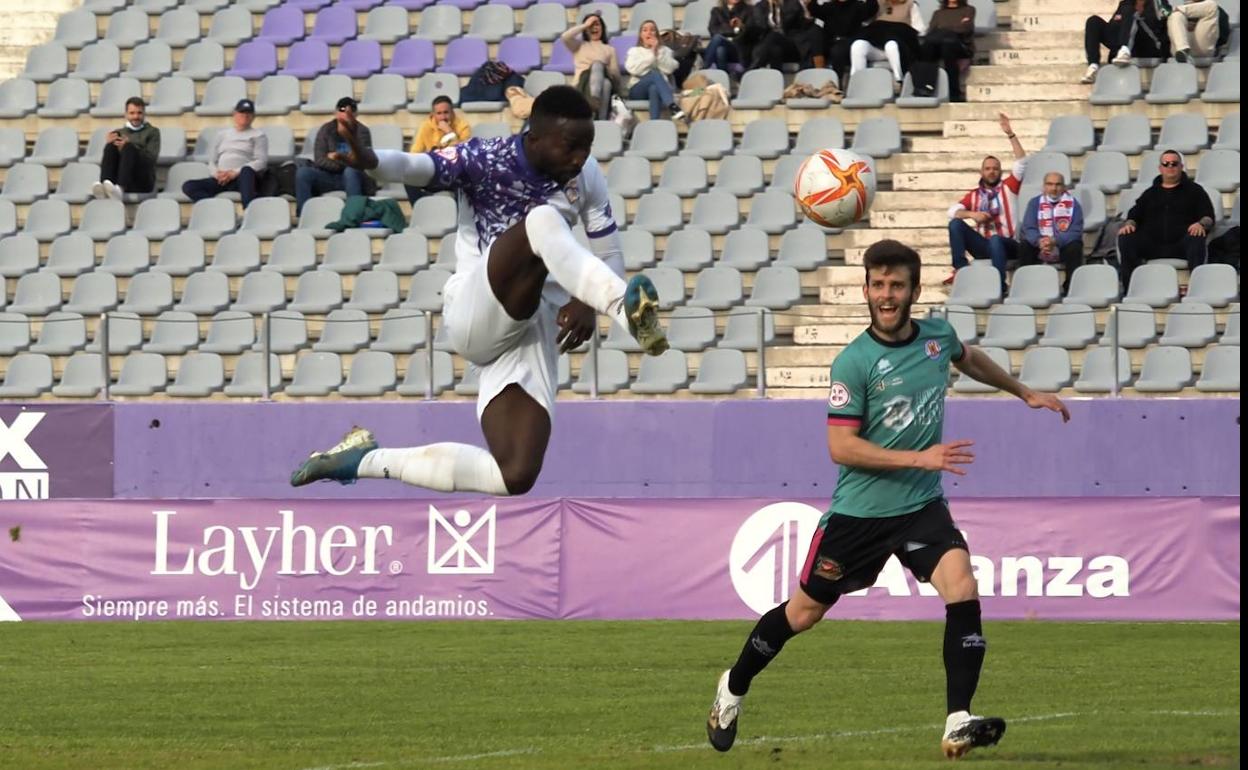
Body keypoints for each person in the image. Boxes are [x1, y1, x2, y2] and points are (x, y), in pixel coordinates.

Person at [706, 238, 1070, 759]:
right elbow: (841, 447)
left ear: (915, 290)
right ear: (866, 290)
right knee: (803, 613)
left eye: (896, 285)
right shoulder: (853, 363)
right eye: (878, 285)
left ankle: (957, 719)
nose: (886, 294)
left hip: (920, 507)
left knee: (962, 586)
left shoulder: (937, 335)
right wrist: (921, 458)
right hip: (860, 515)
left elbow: (968, 358)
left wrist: (1023, 391)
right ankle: (732, 688)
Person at [289, 87, 669, 496]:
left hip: (530, 326)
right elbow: (416, 166)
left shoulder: (585, 173)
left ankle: (362, 458)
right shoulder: (485, 158)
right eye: (570, 147)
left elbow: (608, 247)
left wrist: (584, 302)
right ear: (535, 137)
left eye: (587, 147)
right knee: (542, 219)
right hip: (475, 310)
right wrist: (373, 162)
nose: (579, 158)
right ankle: (620, 306)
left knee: (515, 474)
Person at [945, 113, 1028, 292]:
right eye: (988, 169)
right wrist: (971, 214)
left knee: (996, 240)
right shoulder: (975, 195)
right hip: (984, 245)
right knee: (955, 224)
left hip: (1009, 245)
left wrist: (1010, 134)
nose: (992, 172)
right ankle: (960, 269)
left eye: (995, 169)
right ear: (981, 172)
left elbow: (1022, 162)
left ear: (1000, 171)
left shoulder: (1009, 187)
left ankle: (999, 284)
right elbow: (952, 211)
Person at [1117, 149, 1215, 286]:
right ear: (1160, 168)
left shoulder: (1195, 191)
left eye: (1174, 164)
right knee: (1126, 238)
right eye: (1166, 164)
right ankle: (1130, 289)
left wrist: (1201, 224)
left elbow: (1208, 216)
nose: (1170, 167)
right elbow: (1134, 214)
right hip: (1152, 244)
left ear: (1181, 167)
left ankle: (1199, 287)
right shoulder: (1150, 193)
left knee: (1196, 237)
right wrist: (1130, 224)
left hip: (1182, 244)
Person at [181, 99, 269, 207]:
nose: (245, 116)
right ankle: (215, 208)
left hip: (242, 179)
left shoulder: (258, 135)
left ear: (253, 117)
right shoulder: (222, 134)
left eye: (248, 113)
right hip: (221, 178)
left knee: (247, 171)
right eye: (242, 112)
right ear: (235, 114)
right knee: (189, 186)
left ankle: (249, 210)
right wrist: (217, 174)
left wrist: (235, 172)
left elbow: (261, 161)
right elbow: (212, 160)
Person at [295, 96, 374, 216]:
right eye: (342, 110)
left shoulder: (362, 132)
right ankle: (305, 216)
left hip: (355, 177)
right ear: (336, 112)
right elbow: (320, 160)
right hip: (329, 176)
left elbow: (360, 162)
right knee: (303, 173)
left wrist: (336, 157)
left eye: (351, 111)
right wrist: (344, 160)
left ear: (356, 114)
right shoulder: (326, 130)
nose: (346, 115)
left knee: (350, 172)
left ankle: (354, 215)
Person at [1018, 173, 1084, 294]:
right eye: (1050, 184)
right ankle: (1026, 286)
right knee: (1025, 246)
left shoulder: (1074, 205)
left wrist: (1055, 241)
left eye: (1058, 184)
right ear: (1044, 186)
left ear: (1064, 187)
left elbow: (1075, 231)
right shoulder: (1034, 203)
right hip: (1039, 245)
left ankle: (1071, 287)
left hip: (1062, 246)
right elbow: (1028, 228)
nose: (1054, 188)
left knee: (1075, 246)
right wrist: (1039, 241)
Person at [1081, 0, 1169, 83]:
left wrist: (1139, 14)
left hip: (1148, 45)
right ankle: (1093, 66)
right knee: (1093, 21)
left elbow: (1162, 24)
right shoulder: (1126, 4)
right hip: (1123, 43)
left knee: (1130, 12)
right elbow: (1114, 27)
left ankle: (1125, 50)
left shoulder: (1158, 3)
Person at [850, 0, 927, 93]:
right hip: (877, 48)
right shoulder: (878, 3)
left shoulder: (910, 4)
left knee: (891, 45)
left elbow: (920, 29)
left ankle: (899, 81)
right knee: (858, 45)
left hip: (897, 47)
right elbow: (866, 23)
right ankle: (857, 83)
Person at [91, 96, 159, 201]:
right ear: (126, 114)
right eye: (132, 113)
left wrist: (129, 146)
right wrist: (112, 144)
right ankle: (105, 184)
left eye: (139, 113)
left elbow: (151, 158)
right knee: (111, 146)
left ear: (144, 114)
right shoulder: (119, 132)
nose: (136, 116)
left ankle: (120, 188)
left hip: (142, 180)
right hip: (119, 178)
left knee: (128, 147)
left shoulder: (153, 132)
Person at [405, 95, 471, 202]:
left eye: (446, 112)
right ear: (433, 114)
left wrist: (449, 132)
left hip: (454, 172)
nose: (443, 117)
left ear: (452, 112)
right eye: (439, 113)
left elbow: (462, 155)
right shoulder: (426, 126)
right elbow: (415, 152)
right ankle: (422, 209)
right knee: (409, 178)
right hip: (433, 171)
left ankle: (457, 215)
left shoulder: (463, 126)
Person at [562, 13, 625, 120]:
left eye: (597, 25)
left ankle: (595, 106)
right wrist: (585, 25)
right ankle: (597, 109)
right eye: (591, 25)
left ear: (602, 28)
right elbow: (565, 37)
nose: (594, 27)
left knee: (604, 78)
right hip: (582, 85)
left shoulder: (609, 49)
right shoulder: (579, 45)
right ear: (586, 30)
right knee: (604, 80)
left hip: (603, 85)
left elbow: (615, 74)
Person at [625, 20, 688, 122]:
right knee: (655, 74)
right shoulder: (634, 51)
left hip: (658, 89)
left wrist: (657, 53)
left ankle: (654, 122)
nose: (649, 33)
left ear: (657, 35)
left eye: (652, 30)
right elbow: (633, 70)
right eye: (645, 30)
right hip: (637, 89)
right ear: (641, 35)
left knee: (654, 88)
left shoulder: (665, 50)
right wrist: (652, 55)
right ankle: (672, 106)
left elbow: (670, 68)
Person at [920, 0, 976, 103]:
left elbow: (965, 29)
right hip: (939, 45)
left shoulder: (968, 10)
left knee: (948, 45)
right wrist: (955, 27)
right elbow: (931, 32)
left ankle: (954, 92)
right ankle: (925, 87)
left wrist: (944, 29)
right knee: (928, 46)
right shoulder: (938, 13)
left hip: (961, 45)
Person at [815, 0, 880, 87]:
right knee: (815, 39)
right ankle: (815, 79)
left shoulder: (858, 6)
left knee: (837, 51)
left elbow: (871, 8)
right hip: (830, 41)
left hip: (848, 42)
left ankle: (837, 84)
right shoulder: (828, 6)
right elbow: (814, 9)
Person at [748, 0, 827, 71]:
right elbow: (761, 25)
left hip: (790, 41)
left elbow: (795, 23)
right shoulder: (760, 6)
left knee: (773, 36)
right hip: (770, 43)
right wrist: (771, 8)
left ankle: (752, 70)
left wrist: (778, 6)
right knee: (774, 49)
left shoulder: (792, 3)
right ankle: (775, 79)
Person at [704, 0, 752, 79]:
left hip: (739, 48)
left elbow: (749, 32)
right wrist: (733, 29)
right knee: (720, 50)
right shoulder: (716, 11)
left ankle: (705, 68)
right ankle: (724, 78)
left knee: (718, 38)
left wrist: (740, 27)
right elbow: (712, 30)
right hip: (722, 44)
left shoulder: (749, 10)